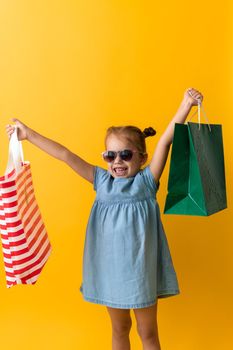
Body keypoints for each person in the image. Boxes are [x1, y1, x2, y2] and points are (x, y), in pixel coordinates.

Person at [6, 87, 203, 350]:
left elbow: (166, 140)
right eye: (110, 155)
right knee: (120, 329)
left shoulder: (146, 181)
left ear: (142, 158)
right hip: (111, 272)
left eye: (126, 154)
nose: (117, 161)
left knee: (148, 332)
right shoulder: (101, 180)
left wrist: (186, 105)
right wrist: (29, 135)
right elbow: (65, 155)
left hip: (141, 272)